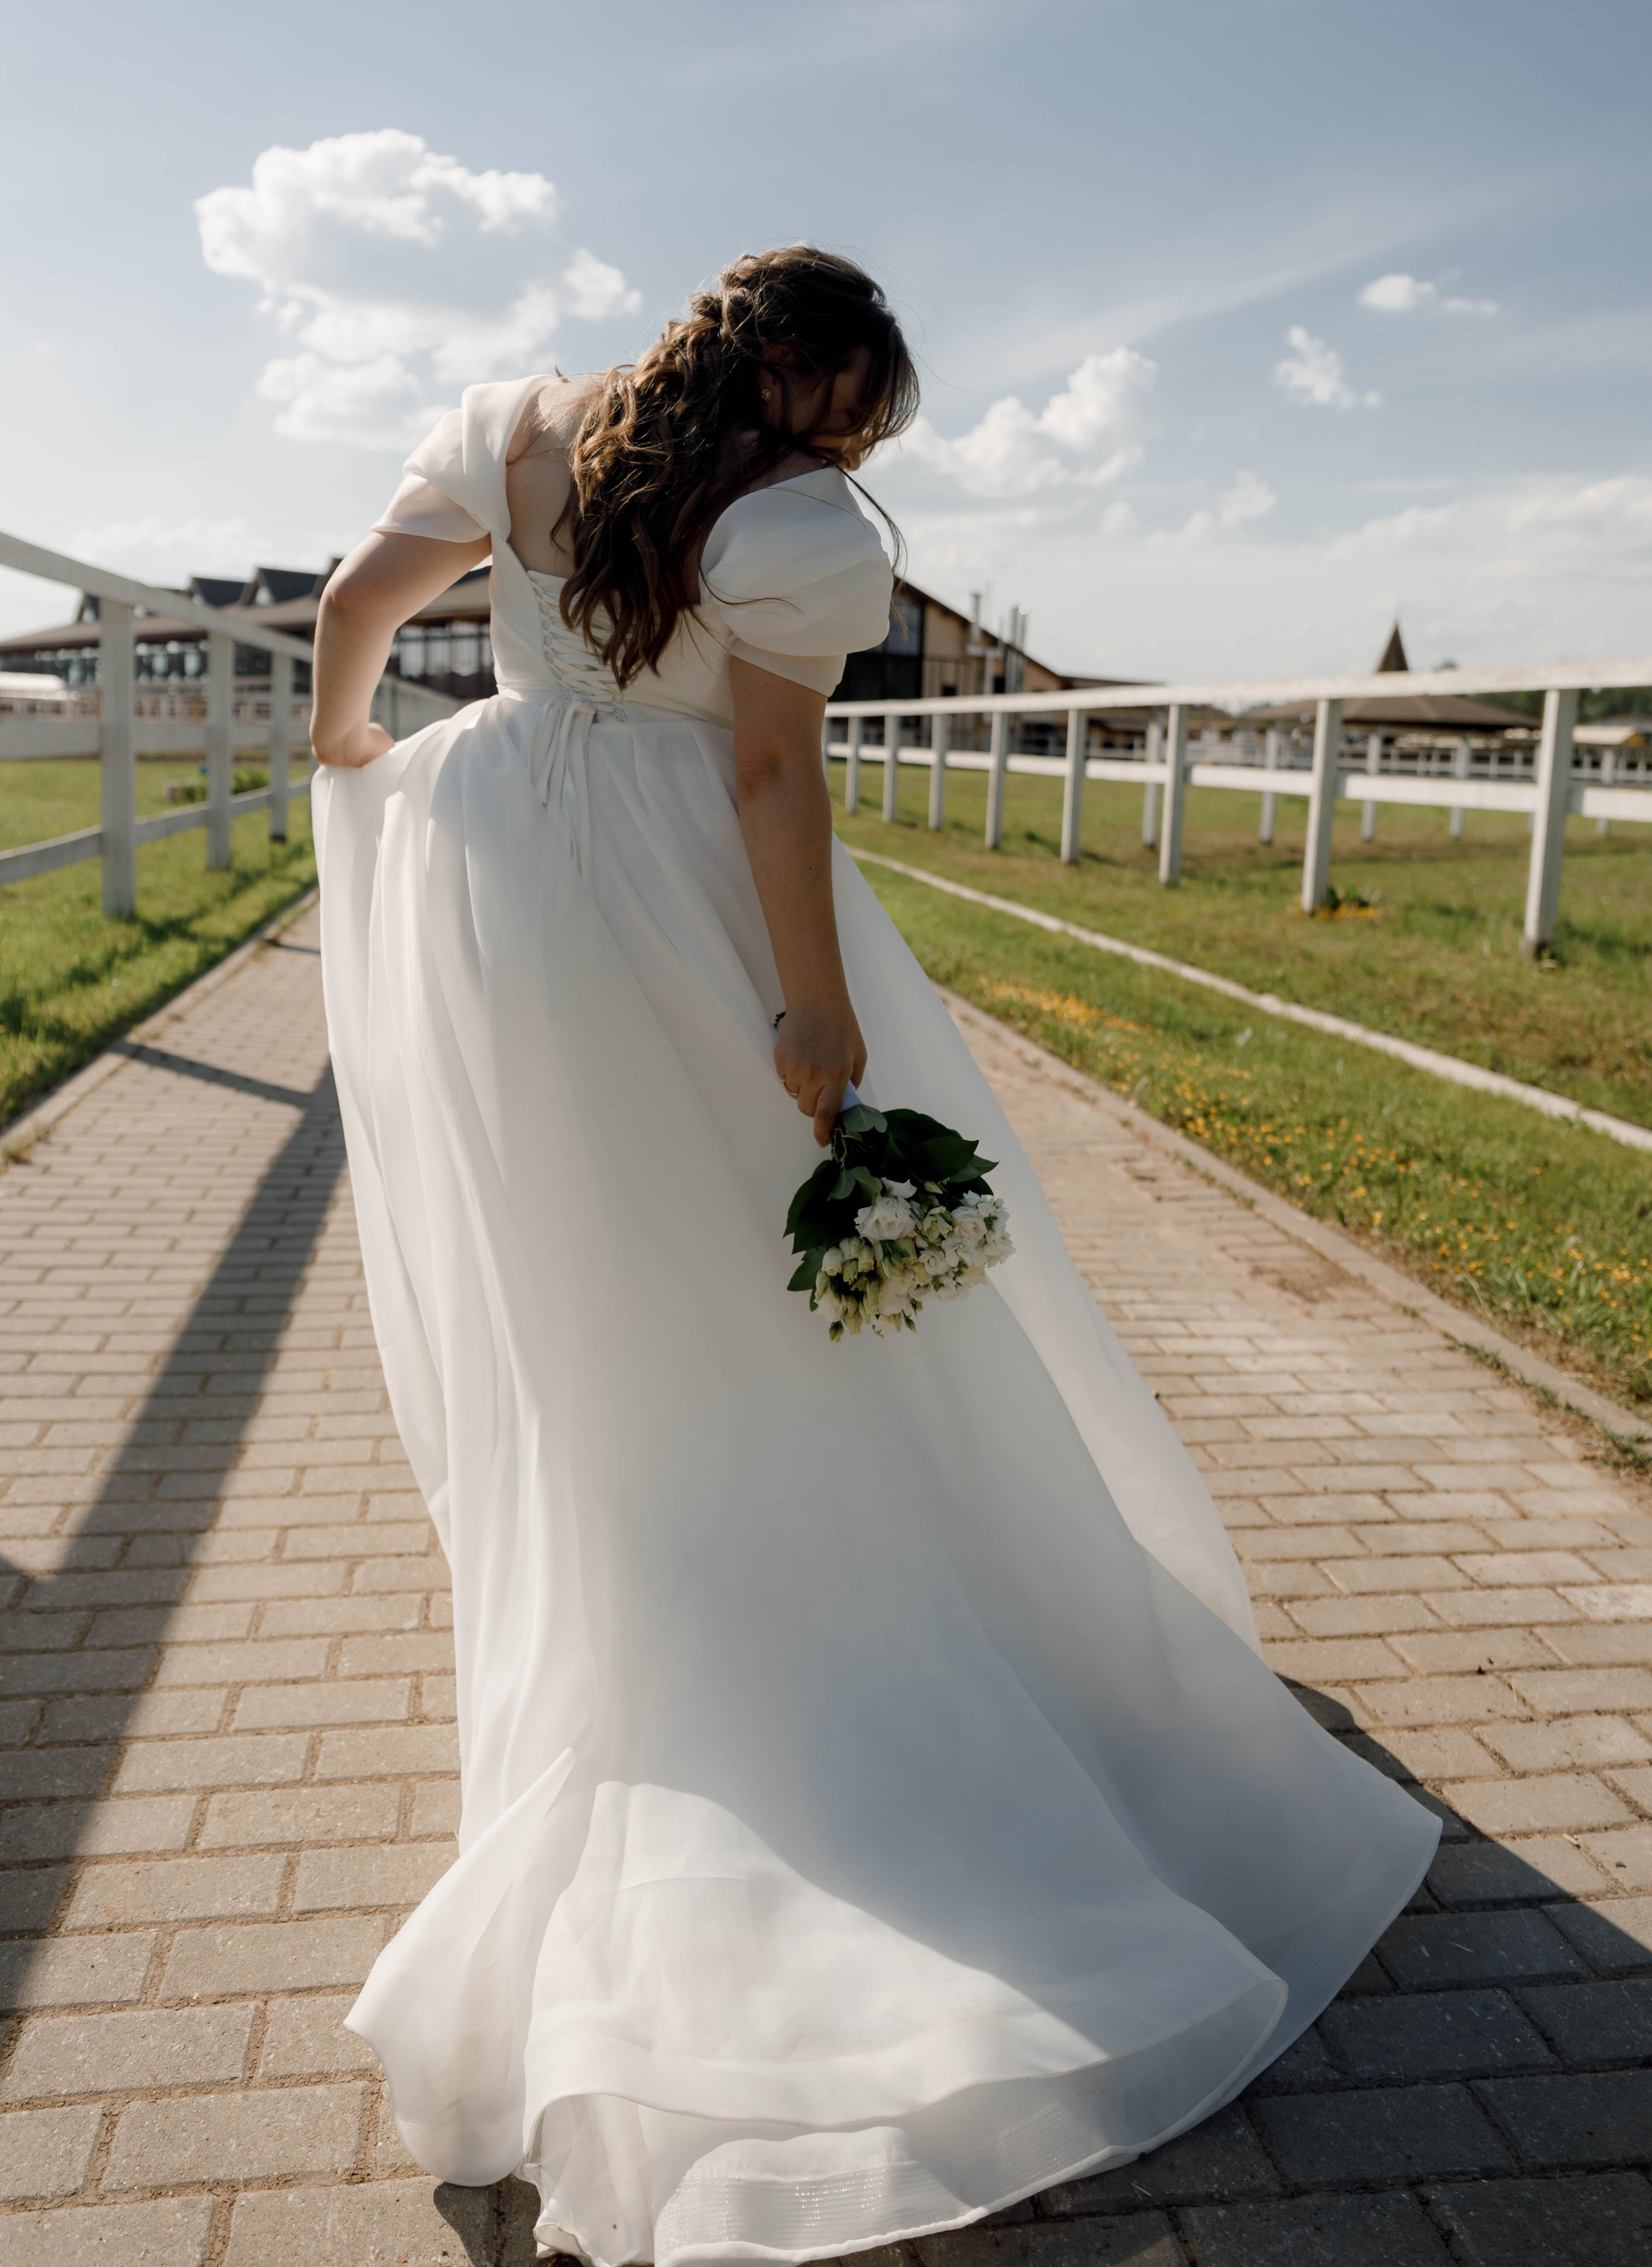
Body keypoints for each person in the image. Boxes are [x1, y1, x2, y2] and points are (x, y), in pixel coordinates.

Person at [311, 246, 1436, 2267]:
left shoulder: (515, 431)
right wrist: (812, 1012)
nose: (852, 446)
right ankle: (829, 1641)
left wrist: (354, 768)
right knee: (761, 1275)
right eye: (859, 409)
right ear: (823, 387)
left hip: (493, 902)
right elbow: (763, 772)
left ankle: (649, 1605)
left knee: (587, 1298)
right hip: (672, 899)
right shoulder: (801, 526)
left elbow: (353, 620)